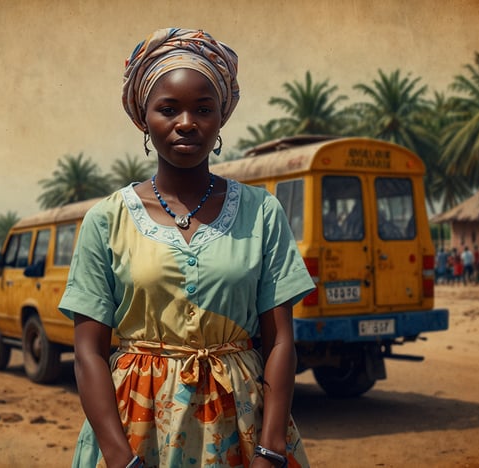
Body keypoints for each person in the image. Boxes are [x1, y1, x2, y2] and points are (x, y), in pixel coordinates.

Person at [59, 28, 315, 468]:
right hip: (135, 432)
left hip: (243, 430)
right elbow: (88, 352)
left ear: (220, 118)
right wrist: (121, 458)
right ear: (144, 118)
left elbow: (280, 341)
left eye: (203, 108)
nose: (186, 123)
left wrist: (270, 449)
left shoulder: (262, 212)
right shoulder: (106, 219)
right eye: (168, 109)